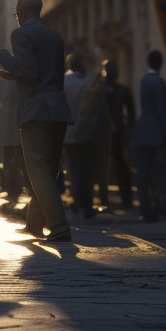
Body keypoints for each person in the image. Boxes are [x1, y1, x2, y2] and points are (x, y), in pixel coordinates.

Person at [0, 0, 73, 241]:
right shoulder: (55, 37)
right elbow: (47, 73)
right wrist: (14, 74)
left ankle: (59, 227)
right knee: (48, 170)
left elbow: (29, 73)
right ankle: (34, 224)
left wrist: (6, 59)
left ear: (20, 10)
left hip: (36, 110)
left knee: (37, 170)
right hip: (57, 108)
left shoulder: (21, 34)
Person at [131, 50, 166, 222]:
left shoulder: (144, 80)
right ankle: (161, 206)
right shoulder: (158, 82)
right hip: (157, 133)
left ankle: (145, 208)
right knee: (163, 170)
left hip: (143, 131)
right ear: (160, 63)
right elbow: (162, 111)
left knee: (143, 172)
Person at [62, 55, 108, 219]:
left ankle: (77, 201)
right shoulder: (89, 82)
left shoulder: (63, 82)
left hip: (68, 132)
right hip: (87, 131)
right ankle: (87, 205)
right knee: (88, 170)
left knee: (74, 169)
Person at [102, 58, 136, 210]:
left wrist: (129, 130)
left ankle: (126, 198)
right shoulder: (100, 89)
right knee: (103, 166)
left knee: (121, 165)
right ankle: (105, 198)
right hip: (103, 133)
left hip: (117, 133)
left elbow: (132, 112)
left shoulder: (123, 90)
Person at [0, 76, 25, 206]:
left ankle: (12, 189)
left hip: (7, 127)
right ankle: (15, 189)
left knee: (8, 162)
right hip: (17, 126)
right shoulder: (19, 81)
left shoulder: (5, 82)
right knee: (16, 162)